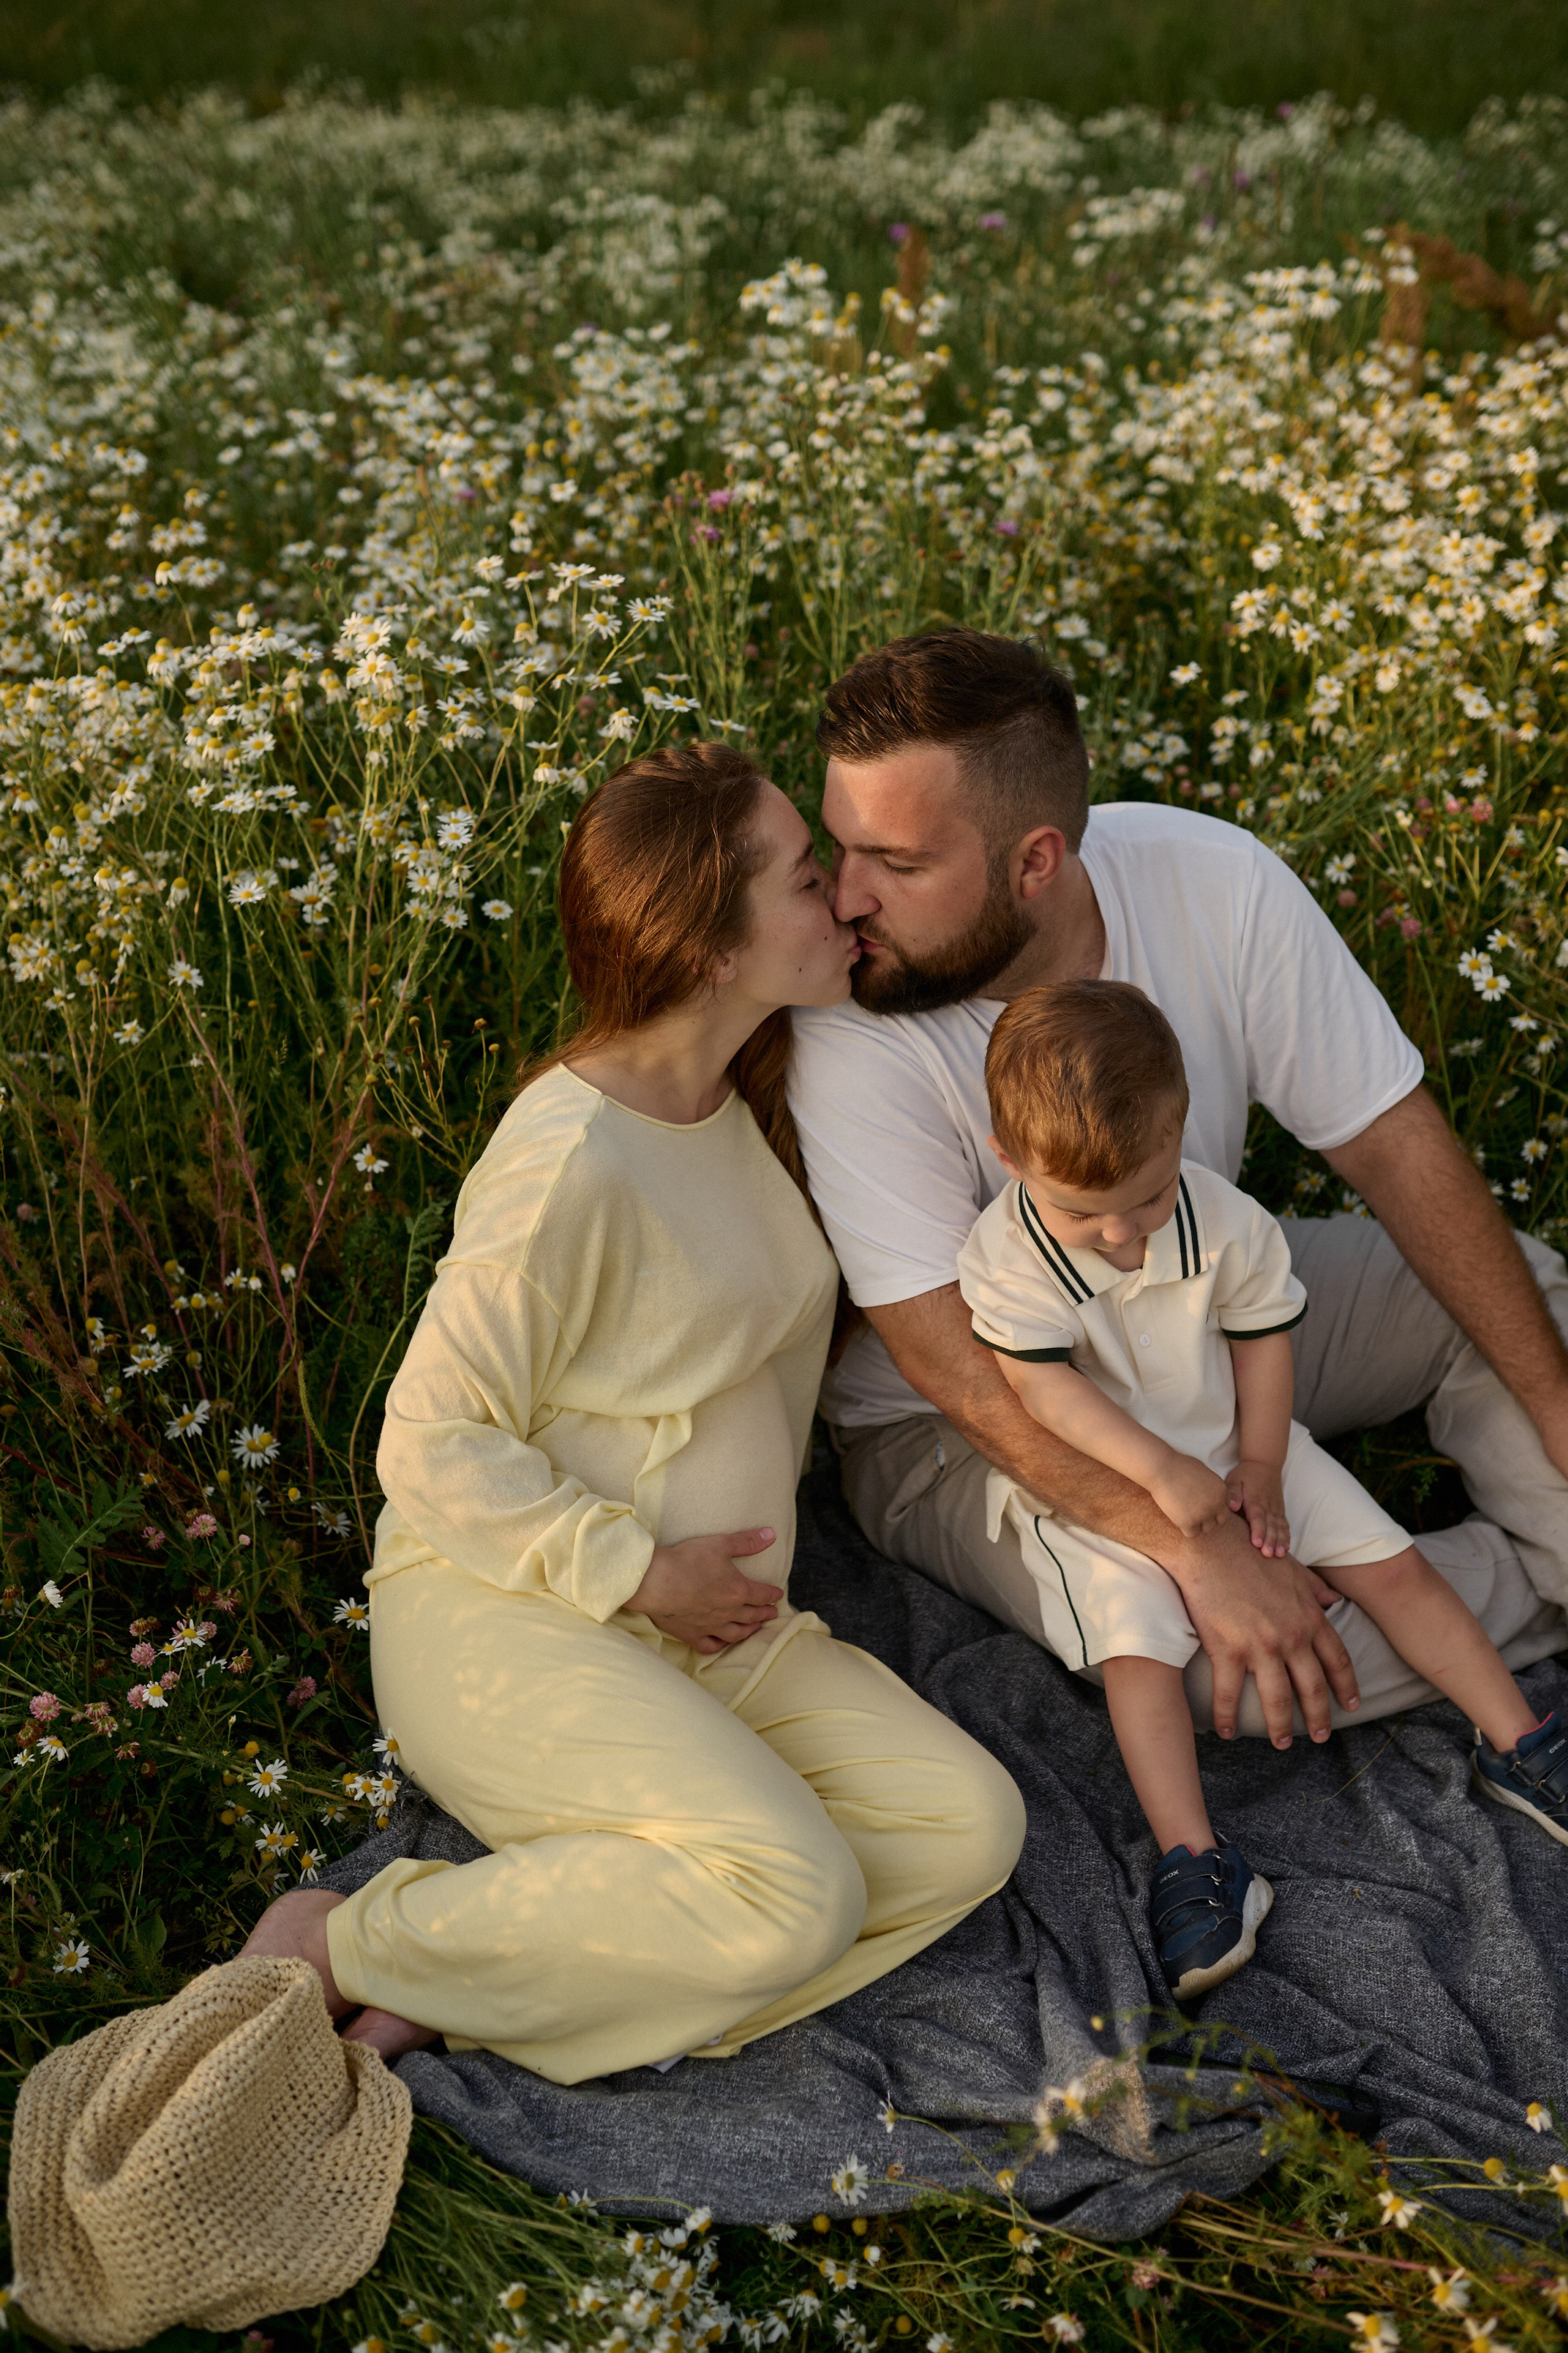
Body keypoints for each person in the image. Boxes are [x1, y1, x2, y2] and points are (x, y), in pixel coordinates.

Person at [243, 741, 1025, 2080]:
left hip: (713, 1631)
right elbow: (426, 1438)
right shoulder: (569, 1160)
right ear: (711, 949)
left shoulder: (746, 1095)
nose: (842, 896)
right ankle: (347, 1939)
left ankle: (501, 1971)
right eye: (804, 877)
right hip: (521, 1617)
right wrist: (639, 1573)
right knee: (799, 1892)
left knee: (968, 1829)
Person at [788, 627, 1568, 1749]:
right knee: (1202, 1666)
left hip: (1202, 1310)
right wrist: (1197, 1551)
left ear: (1035, 862)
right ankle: (1514, 1583)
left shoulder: (1211, 880)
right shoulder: (849, 1023)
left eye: (897, 865)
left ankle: (1496, 1566)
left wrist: (1555, 1411)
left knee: (1518, 1301)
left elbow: (1395, 1148)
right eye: (840, 846)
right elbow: (948, 1365)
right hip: (962, 1422)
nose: (846, 898)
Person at [958, 979, 1568, 2000]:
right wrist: (1162, 1473)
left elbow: (1262, 1341)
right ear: (1009, 1159)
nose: (1122, 1235)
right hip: (1110, 1488)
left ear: (1177, 1132)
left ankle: (1519, 1740)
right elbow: (1042, 1389)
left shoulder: (1222, 1219)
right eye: (1085, 1213)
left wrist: (1263, 1464)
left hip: (1237, 1442)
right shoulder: (1005, 1256)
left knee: (1392, 1565)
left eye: (1147, 1199)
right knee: (1139, 1651)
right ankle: (1195, 1857)